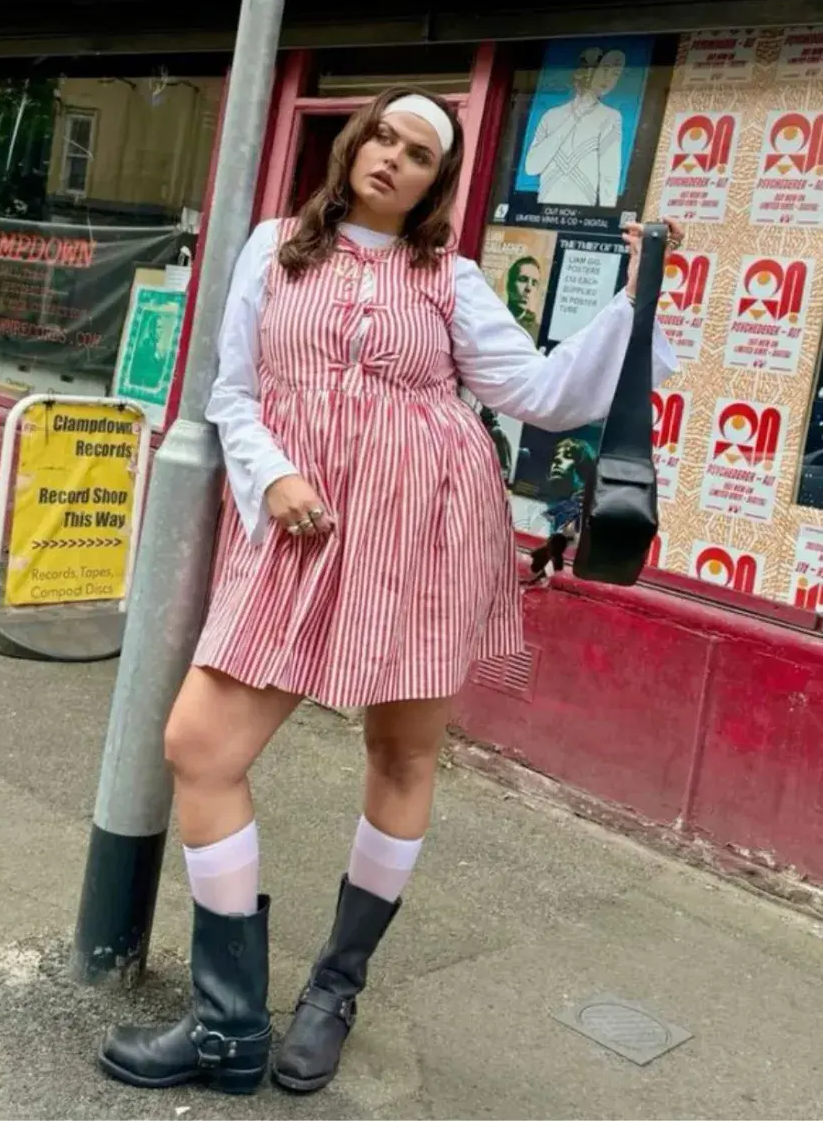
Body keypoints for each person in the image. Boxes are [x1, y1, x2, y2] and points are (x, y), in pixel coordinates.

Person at [98, 87, 681, 1097]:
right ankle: (229, 1023)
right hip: (300, 522)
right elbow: (234, 389)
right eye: (384, 137)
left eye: (419, 152)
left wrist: (640, 290)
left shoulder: (449, 279)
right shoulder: (274, 245)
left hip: (428, 529)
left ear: (433, 183)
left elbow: (540, 394)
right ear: (353, 143)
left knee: (403, 749)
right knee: (202, 742)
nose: (394, 158)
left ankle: (332, 990)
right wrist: (273, 472)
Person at [524, 47, 625, 207]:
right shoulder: (551, 116)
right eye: (604, 70)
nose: (609, 79)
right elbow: (531, 167)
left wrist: (605, 215)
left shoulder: (610, 117)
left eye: (615, 74)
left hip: (583, 208)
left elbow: (610, 175)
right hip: (545, 207)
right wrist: (575, 115)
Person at [505, 253, 542, 339]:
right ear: (509, 285)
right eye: (523, 280)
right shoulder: (492, 319)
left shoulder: (538, 333)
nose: (529, 288)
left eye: (534, 283)